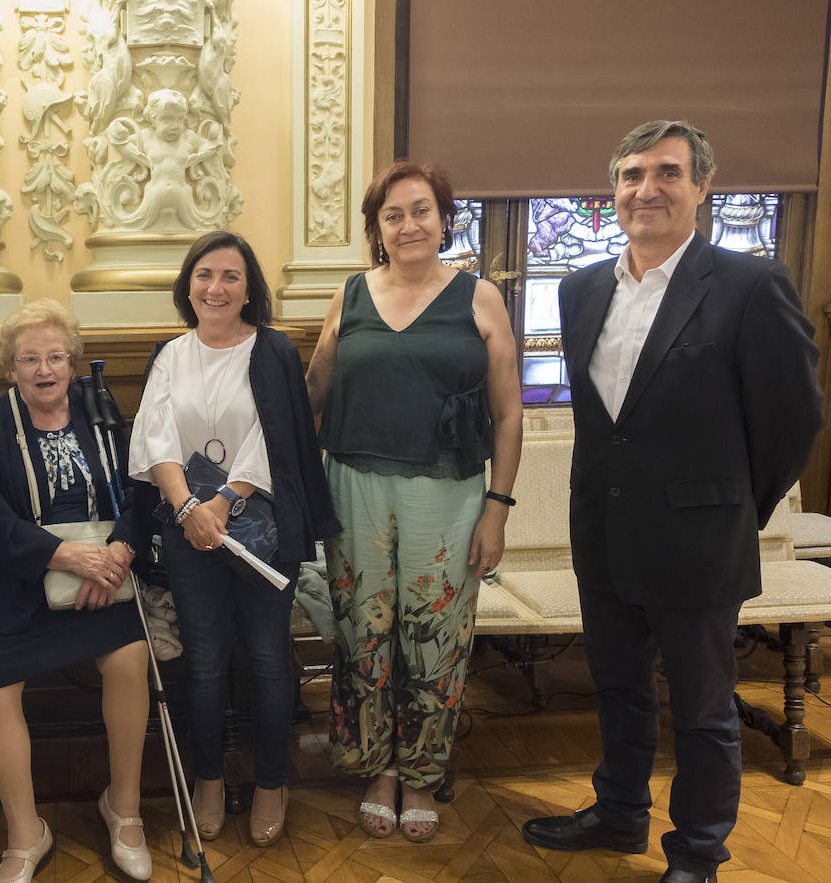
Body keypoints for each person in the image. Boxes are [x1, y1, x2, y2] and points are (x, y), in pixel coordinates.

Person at [520, 121, 822, 883]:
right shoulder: (581, 287)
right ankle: (618, 814)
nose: (644, 189)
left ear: (701, 186)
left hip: (701, 542)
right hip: (605, 534)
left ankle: (697, 853)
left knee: (703, 710)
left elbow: (794, 416)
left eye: (666, 173)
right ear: (613, 189)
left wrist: (731, 509)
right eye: (630, 174)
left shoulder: (750, 285)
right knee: (618, 688)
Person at [305, 159, 523, 843]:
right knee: (364, 635)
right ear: (376, 228)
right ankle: (377, 770)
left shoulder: (479, 298)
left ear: (443, 218)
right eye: (392, 215)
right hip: (354, 485)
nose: (408, 225)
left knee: (434, 641)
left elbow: (510, 415)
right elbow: (311, 391)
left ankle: (422, 773)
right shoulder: (349, 296)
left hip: (449, 492)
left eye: (421, 210)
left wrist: (498, 507)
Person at [128, 231, 339, 847]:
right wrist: (189, 507)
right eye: (204, 275)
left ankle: (273, 782)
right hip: (190, 533)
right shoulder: (170, 354)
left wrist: (222, 500)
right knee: (205, 660)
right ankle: (210, 779)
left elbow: (278, 440)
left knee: (270, 659)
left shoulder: (272, 352)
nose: (215, 288)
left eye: (230, 276)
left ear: (250, 290)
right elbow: (154, 438)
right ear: (187, 285)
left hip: (261, 531)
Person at [0, 299, 151, 883]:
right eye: (30, 359)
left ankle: (124, 808)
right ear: (10, 369)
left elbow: (141, 491)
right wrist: (68, 558)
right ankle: (25, 834)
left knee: (129, 656)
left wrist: (115, 555)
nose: (45, 369)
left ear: (72, 362)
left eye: (56, 357)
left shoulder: (103, 413)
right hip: (14, 586)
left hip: (104, 584)